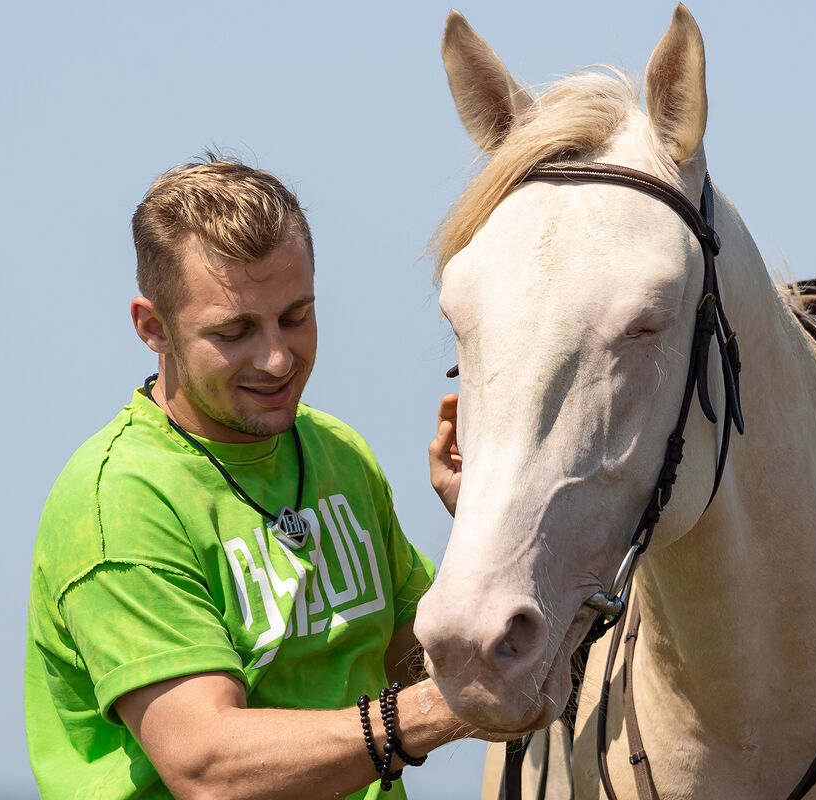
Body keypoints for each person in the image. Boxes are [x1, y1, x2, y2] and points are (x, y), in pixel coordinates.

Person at [24, 155, 493, 799]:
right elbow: (208, 768)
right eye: (235, 331)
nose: (277, 359)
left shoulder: (336, 452)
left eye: (295, 317)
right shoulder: (121, 501)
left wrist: (489, 522)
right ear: (153, 328)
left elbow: (436, 662)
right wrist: (430, 716)